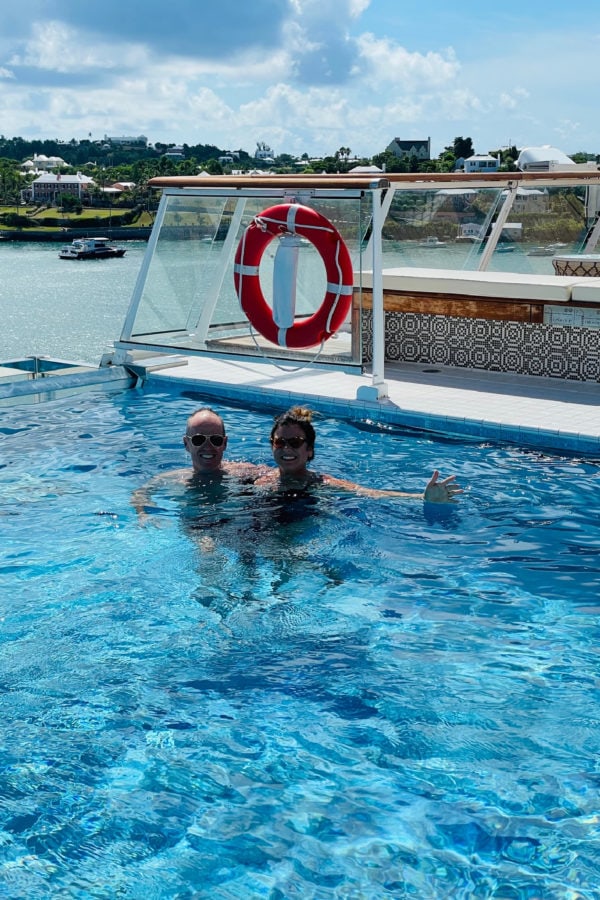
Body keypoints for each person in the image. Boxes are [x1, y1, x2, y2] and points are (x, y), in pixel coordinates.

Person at [252, 406, 462, 503]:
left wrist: (421, 497)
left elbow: (369, 493)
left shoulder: (320, 483)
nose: (287, 448)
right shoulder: (260, 477)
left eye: (295, 442)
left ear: (309, 450)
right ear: (272, 446)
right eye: (280, 442)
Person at [131, 406, 266, 523]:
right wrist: (143, 515)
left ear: (224, 443)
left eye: (215, 440)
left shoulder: (245, 472)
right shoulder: (172, 479)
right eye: (198, 439)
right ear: (186, 444)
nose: (208, 446)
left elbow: (277, 476)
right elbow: (140, 493)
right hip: (195, 525)